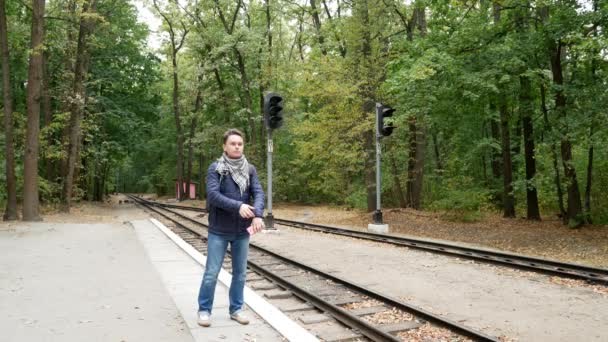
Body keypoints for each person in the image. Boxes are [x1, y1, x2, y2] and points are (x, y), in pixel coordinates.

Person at [197, 128, 265, 327]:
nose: (237, 146)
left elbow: (259, 193)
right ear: (224, 146)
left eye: (240, 143)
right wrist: (239, 206)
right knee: (212, 272)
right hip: (219, 230)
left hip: (242, 231)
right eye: (233, 143)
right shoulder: (216, 168)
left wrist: (258, 215)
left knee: (240, 273)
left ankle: (236, 310)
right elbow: (213, 196)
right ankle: (204, 310)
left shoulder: (250, 169)